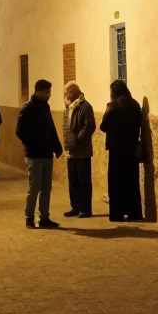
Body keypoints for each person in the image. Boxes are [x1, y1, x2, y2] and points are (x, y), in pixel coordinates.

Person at [16, 78, 63, 229]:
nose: (49, 94)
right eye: (47, 92)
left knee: (46, 188)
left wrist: (56, 147)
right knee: (34, 187)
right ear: (39, 91)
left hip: (46, 154)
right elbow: (19, 131)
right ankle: (29, 217)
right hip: (34, 155)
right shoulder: (27, 109)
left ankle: (44, 217)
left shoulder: (45, 108)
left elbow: (51, 128)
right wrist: (32, 143)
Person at [100, 79, 143, 222]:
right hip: (131, 147)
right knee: (131, 181)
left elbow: (103, 127)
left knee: (116, 182)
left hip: (117, 149)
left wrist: (107, 111)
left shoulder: (114, 106)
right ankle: (134, 212)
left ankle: (117, 214)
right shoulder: (135, 104)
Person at [63, 81, 96, 217]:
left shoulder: (85, 106)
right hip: (71, 151)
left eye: (67, 92)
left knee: (83, 181)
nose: (65, 95)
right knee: (73, 181)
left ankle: (86, 209)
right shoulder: (69, 107)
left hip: (82, 151)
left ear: (73, 92)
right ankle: (75, 206)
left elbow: (89, 126)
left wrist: (78, 139)